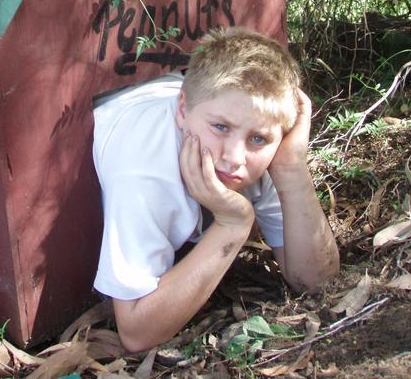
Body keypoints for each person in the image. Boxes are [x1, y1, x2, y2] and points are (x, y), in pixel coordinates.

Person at [92, 27, 339, 352]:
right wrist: (232, 226)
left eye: (259, 138)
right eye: (221, 128)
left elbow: (318, 281)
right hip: (126, 104)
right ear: (182, 111)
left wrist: (291, 167)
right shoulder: (145, 169)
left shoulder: (257, 154)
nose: (234, 158)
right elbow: (136, 333)